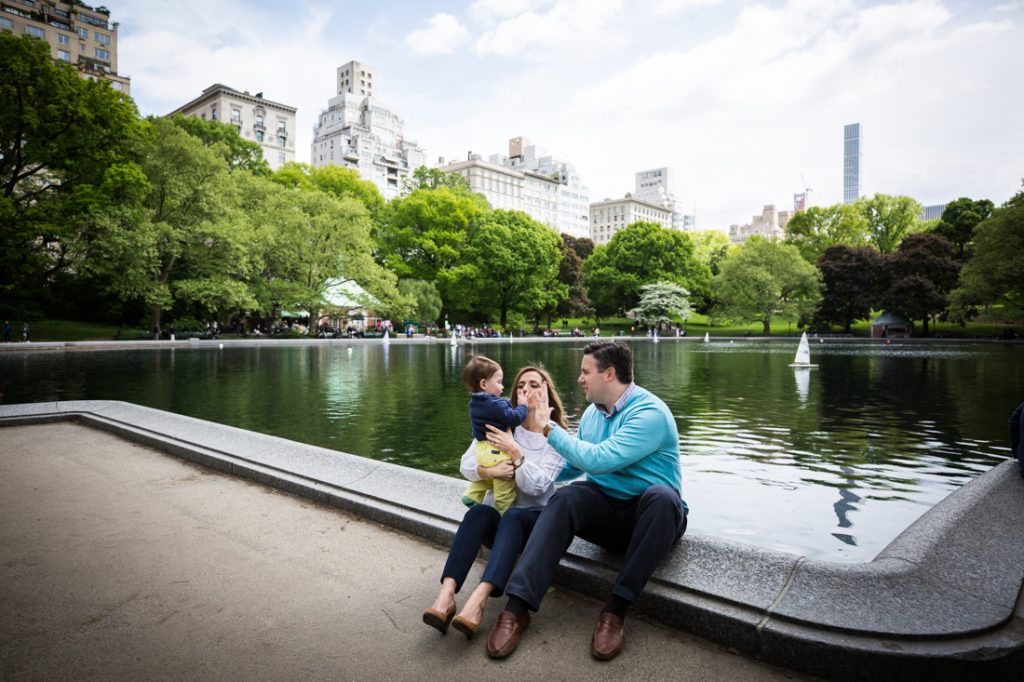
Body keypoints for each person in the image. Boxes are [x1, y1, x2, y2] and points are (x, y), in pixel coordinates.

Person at [486, 340, 687, 662]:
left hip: (650, 518)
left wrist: (547, 429)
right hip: (607, 511)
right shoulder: (594, 414)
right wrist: (521, 465)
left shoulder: (650, 414)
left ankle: (615, 611)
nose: (579, 379)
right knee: (567, 497)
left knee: (662, 498)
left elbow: (598, 459)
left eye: (585, 372)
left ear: (609, 374)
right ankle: (516, 609)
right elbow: (574, 464)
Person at [423, 366, 571, 639]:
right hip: (500, 523)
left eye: (536, 385)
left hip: (532, 527)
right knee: (479, 512)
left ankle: (478, 601)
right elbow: (467, 463)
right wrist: (488, 472)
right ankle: (446, 597)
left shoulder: (556, 436)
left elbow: (537, 486)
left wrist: (515, 450)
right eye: (522, 385)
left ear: (547, 393)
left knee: (514, 516)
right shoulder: (504, 422)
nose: (527, 389)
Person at [460, 356, 530, 514]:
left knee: (487, 479)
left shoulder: (474, 404)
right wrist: (523, 406)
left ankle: (472, 495)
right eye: (499, 382)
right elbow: (514, 418)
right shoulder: (496, 405)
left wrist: (488, 471)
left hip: (482, 450)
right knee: (505, 487)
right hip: (498, 453)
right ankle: (501, 514)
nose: (503, 386)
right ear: (484, 384)